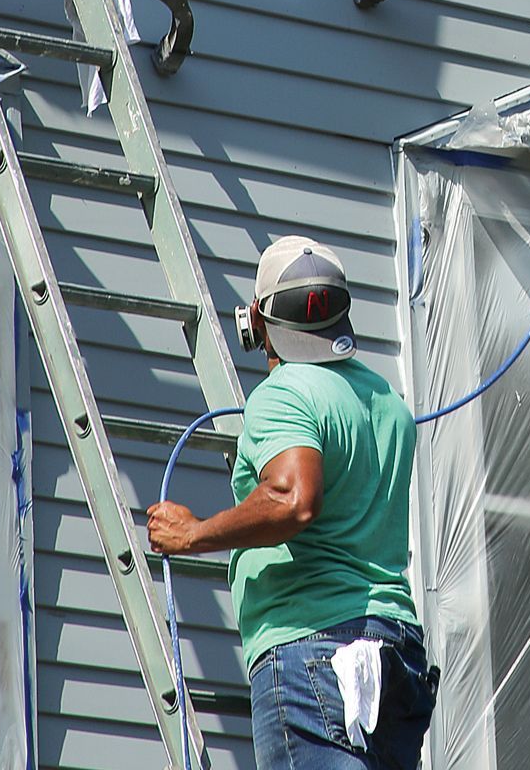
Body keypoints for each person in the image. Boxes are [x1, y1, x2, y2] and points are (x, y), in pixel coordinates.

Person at [147, 235, 438, 765]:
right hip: (395, 655)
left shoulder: (284, 392)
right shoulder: (389, 404)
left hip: (314, 651)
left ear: (255, 321)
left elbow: (292, 499)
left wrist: (196, 533)